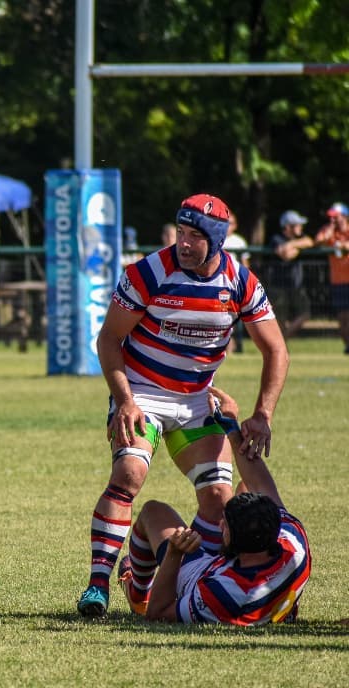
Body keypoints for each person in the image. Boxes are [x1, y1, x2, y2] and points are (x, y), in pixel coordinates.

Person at [76, 193, 289, 619]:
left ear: (218, 239)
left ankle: (165, 583)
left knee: (218, 498)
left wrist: (263, 414)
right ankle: (98, 583)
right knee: (129, 472)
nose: (184, 243)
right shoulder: (148, 273)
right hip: (142, 393)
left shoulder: (241, 283)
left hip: (196, 401)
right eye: (180, 232)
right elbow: (108, 340)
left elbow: (277, 351)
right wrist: (125, 401)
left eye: (195, 236)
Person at [118, 386, 310, 625]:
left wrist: (174, 554)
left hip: (206, 575)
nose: (220, 523)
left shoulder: (219, 596)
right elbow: (261, 482)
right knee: (247, 487)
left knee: (154, 512)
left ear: (231, 539)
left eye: (225, 525)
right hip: (259, 579)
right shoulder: (294, 541)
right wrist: (231, 425)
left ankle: (137, 593)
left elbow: (159, 613)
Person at [265, 209, 314, 338]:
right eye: (297, 224)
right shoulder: (276, 239)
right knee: (280, 319)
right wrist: (296, 248)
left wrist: (293, 244)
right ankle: (281, 347)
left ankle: (283, 337)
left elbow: (310, 241)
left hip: (296, 286)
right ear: (288, 226)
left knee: (305, 313)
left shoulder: (297, 239)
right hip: (278, 286)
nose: (300, 227)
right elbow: (286, 255)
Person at [314, 202, 349, 353]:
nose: (333, 220)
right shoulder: (329, 231)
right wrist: (330, 230)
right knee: (342, 319)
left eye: (337, 217)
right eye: (331, 217)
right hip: (339, 281)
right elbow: (318, 241)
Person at [221, 212, 251, 353]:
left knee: (233, 320)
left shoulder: (239, 241)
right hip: (219, 284)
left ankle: (233, 349)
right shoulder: (217, 239)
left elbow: (245, 264)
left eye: (231, 223)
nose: (228, 226)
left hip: (234, 285)